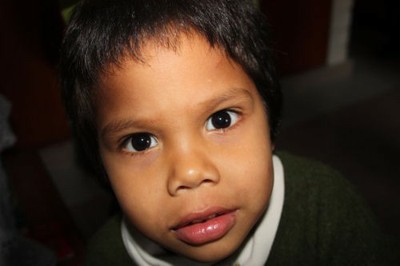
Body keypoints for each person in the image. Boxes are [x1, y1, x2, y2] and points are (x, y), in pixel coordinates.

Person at [59, 0, 393, 265]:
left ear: (270, 124)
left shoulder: (328, 210)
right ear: (101, 165)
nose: (189, 173)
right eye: (140, 141)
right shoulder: (107, 256)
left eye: (221, 120)